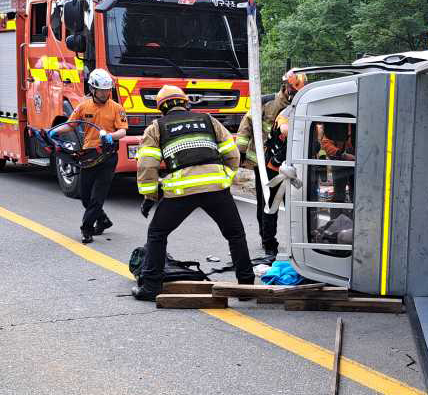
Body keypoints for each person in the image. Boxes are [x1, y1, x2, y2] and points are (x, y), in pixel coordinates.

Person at [131, 85, 254, 300]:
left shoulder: (156, 128)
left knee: (157, 234)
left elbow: (147, 165)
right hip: (216, 188)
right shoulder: (209, 120)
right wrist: (224, 177)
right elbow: (232, 154)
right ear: (186, 103)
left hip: (181, 191)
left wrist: (150, 197)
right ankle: (246, 287)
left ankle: (150, 287)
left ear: (161, 108)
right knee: (235, 234)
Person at [234, 70, 305, 255]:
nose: (295, 94)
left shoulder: (303, 105)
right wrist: (241, 151)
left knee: (293, 203)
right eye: (293, 90)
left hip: (293, 163)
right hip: (265, 162)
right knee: (267, 201)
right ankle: (268, 241)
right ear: (286, 86)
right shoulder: (267, 103)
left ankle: (298, 242)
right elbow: (246, 126)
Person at [68, 68, 128, 244]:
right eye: (101, 90)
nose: (105, 93)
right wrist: (52, 132)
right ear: (92, 89)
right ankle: (103, 220)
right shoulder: (83, 106)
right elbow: (70, 125)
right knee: (85, 197)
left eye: (107, 90)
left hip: (108, 156)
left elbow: (123, 131)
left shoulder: (116, 108)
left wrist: (111, 136)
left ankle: (86, 230)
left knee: (97, 196)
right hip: (89, 155)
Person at [318, 120, 355, 203]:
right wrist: (341, 154)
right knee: (339, 194)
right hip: (339, 162)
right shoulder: (334, 125)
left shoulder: (356, 124)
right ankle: (337, 209)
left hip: (355, 163)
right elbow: (326, 144)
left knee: (356, 192)